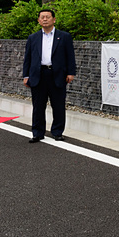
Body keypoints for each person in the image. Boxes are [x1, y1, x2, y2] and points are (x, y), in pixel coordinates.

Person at [22, 8, 76, 143]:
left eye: (48, 17)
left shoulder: (64, 36)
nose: (45, 19)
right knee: (38, 106)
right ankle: (37, 132)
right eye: (42, 17)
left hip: (57, 74)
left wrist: (71, 72)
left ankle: (57, 132)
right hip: (38, 75)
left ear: (54, 19)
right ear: (39, 20)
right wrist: (26, 75)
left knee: (58, 105)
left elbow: (70, 56)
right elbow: (27, 58)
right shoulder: (33, 38)